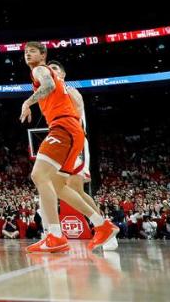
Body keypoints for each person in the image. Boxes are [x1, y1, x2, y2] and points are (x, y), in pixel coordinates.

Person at [19, 42, 119, 253]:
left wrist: (27, 102)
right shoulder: (58, 81)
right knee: (57, 185)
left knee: (39, 175)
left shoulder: (40, 70)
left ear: (43, 54)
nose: (28, 54)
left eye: (33, 51)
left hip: (64, 128)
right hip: (72, 131)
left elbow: (48, 87)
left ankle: (55, 235)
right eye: (26, 52)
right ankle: (102, 225)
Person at [49, 62, 117, 251]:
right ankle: (104, 227)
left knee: (70, 188)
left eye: (54, 69)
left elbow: (77, 110)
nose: (51, 72)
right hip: (65, 143)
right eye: (49, 69)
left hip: (74, 140)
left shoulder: (69, 90)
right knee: (75, 190)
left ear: (62, 73)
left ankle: (103, 228)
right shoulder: (54, 95)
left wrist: (71, 135)